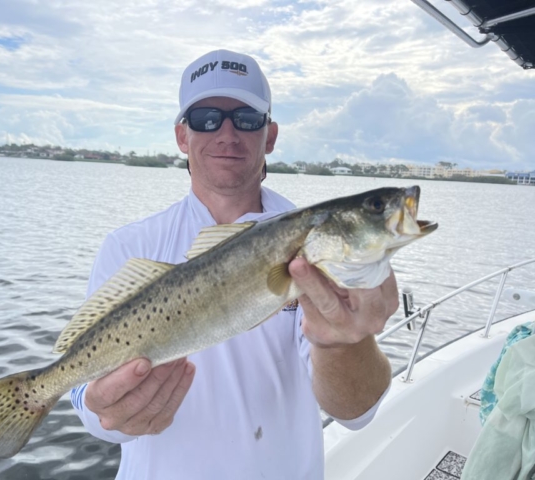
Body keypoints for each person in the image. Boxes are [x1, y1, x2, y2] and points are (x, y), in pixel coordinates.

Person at [71, 49, 396, 479]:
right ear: (182, 136)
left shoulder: (316, 245)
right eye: (206, 118)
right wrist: (107, 413)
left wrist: (344, 342)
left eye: (246, 118)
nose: (227, 133)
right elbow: (84, 398)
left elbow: (357, 413)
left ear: (271, 135)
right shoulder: (129, 245)